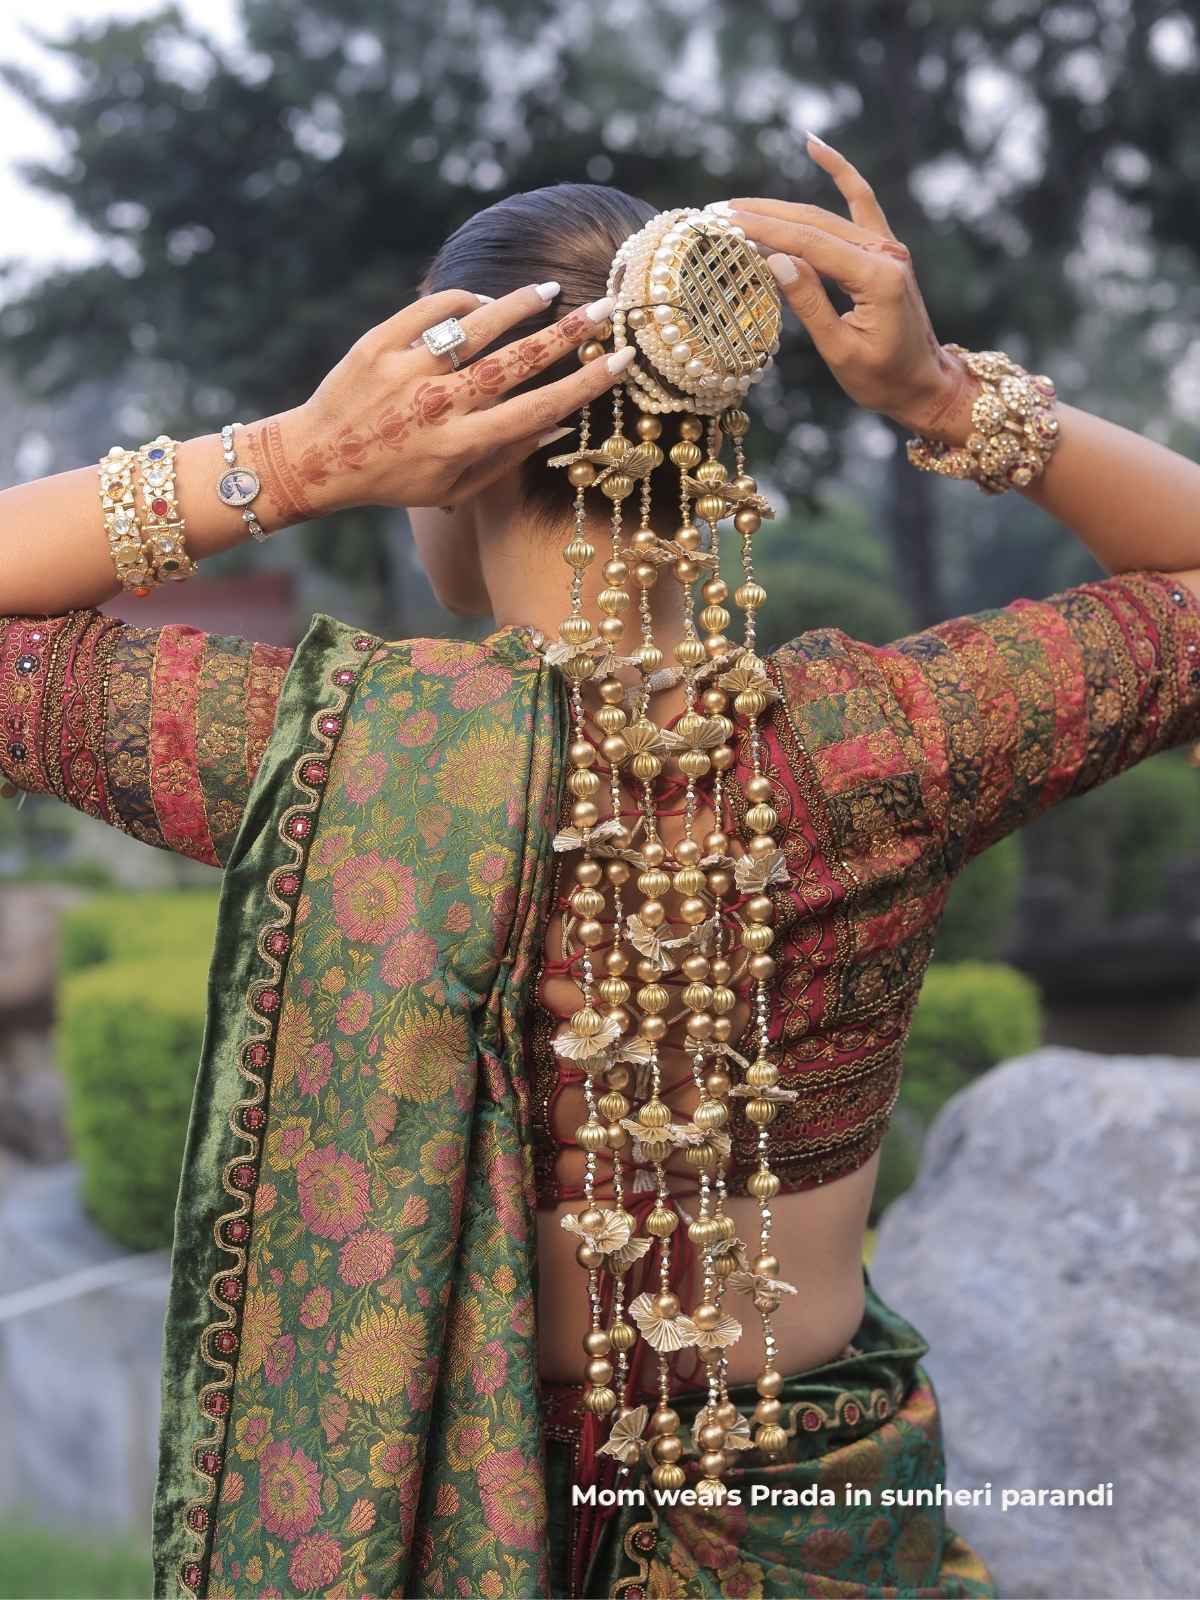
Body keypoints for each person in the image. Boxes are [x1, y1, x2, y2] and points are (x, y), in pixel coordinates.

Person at [1, 134, 1198, 1600]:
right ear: (709, 439)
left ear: (452, 455)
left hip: (440, 1516)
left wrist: (293, 463)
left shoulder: (328, 753)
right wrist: (944, 396)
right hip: (810, 1525)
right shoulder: (883, 745)